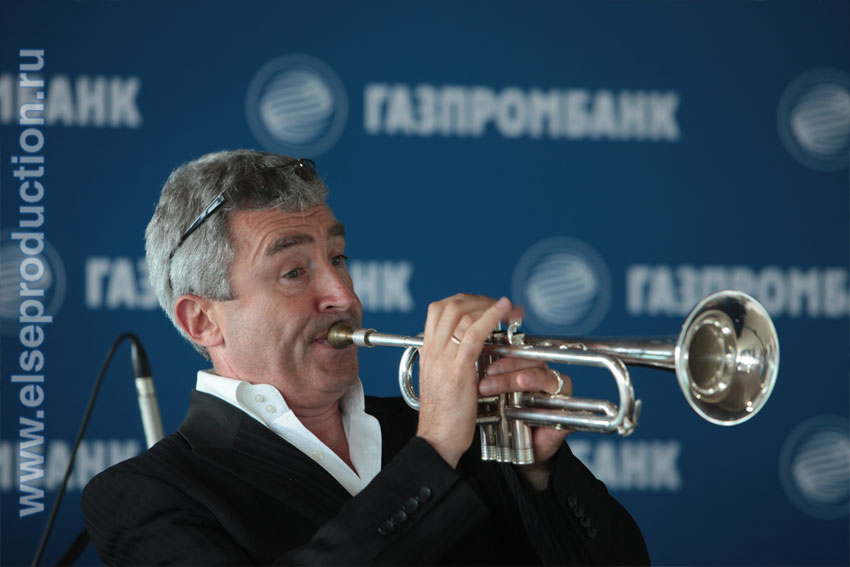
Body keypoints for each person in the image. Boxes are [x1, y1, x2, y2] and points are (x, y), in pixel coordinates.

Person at [82, 149, 650, 565]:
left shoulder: (450, 430)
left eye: (338, 257)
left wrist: (539, 473)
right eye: (294, 271)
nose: (343, 295)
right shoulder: (144, 496)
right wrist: (433, 451)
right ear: (202, 321)